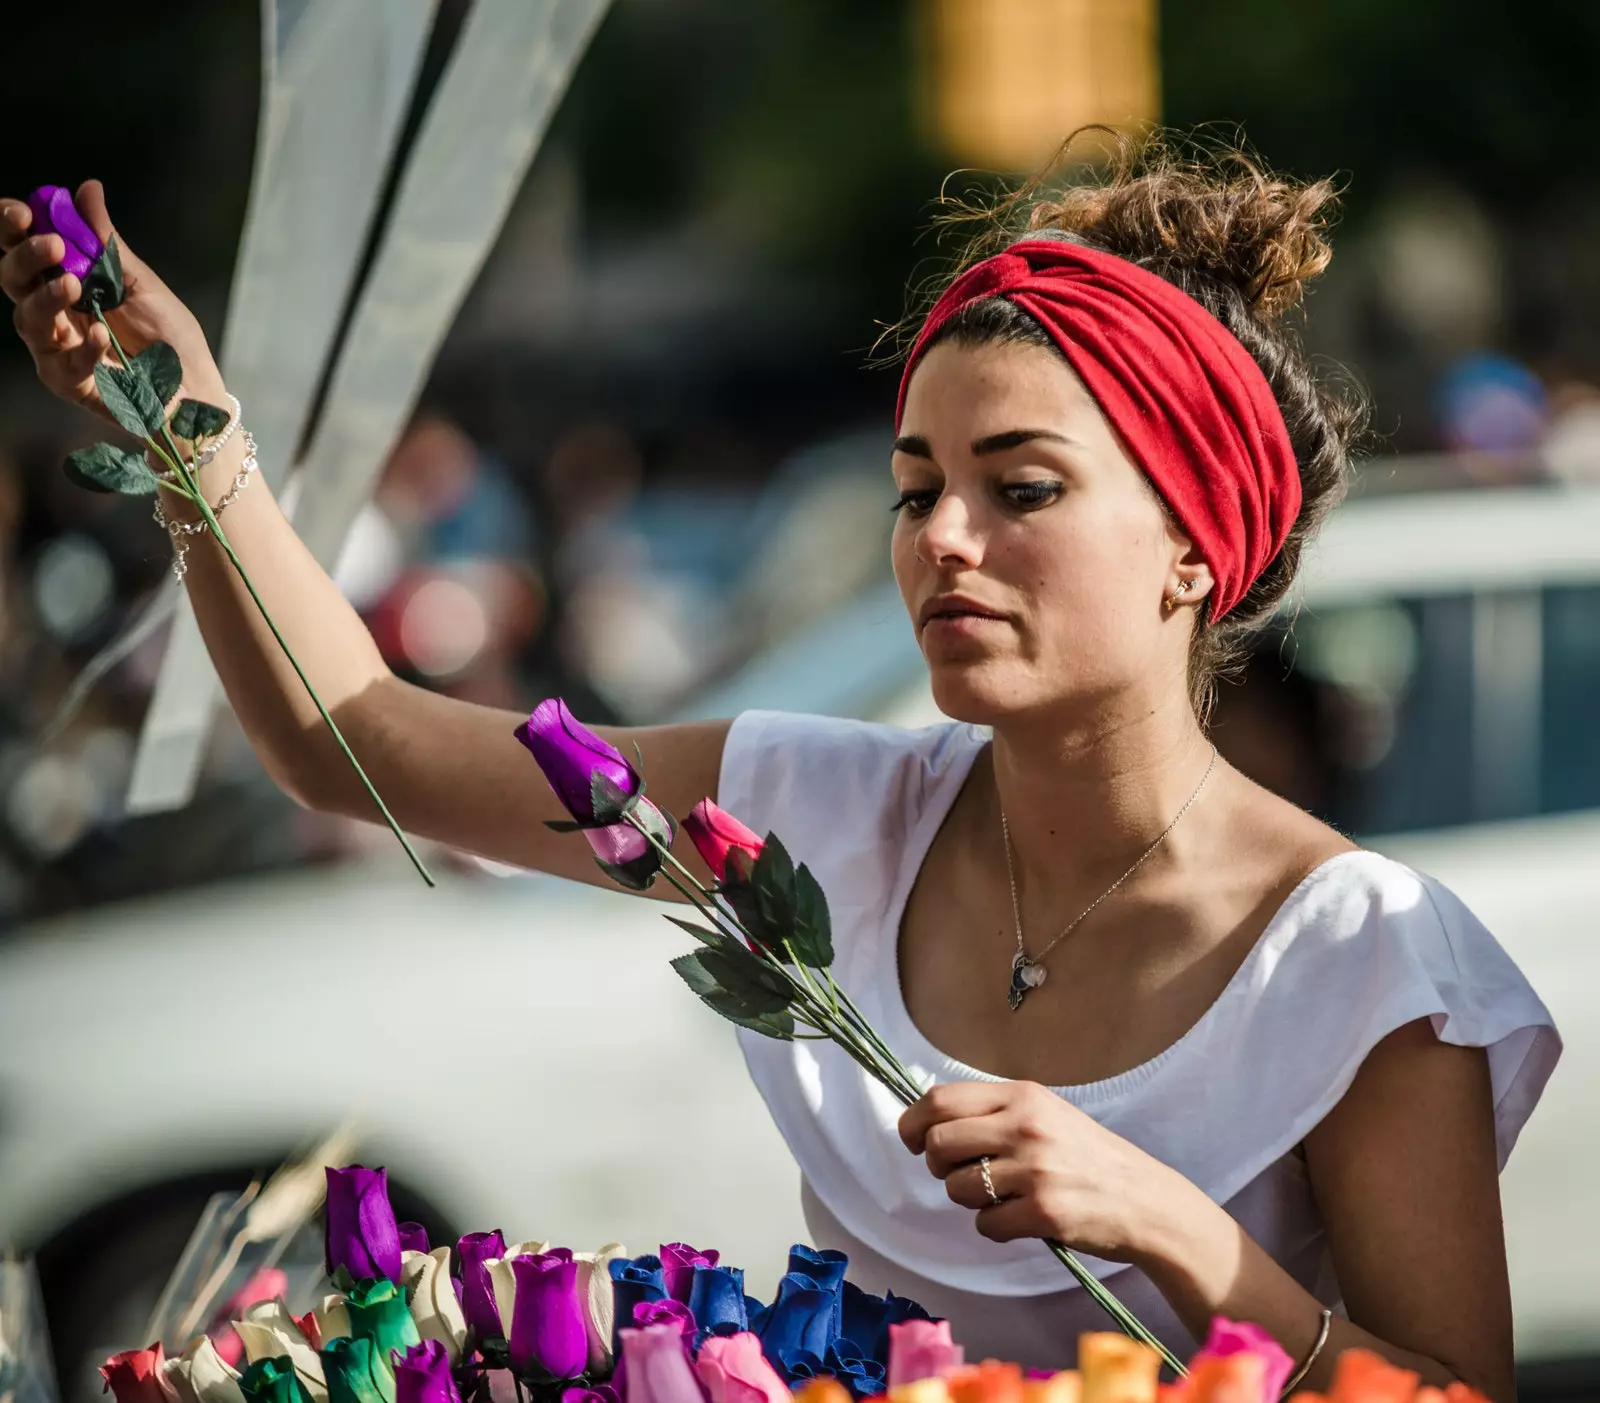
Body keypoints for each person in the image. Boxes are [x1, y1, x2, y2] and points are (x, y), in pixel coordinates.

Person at [0, 137, 1557, 1398]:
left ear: (1190, 547)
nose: (944, 536)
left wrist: (1169, 1227)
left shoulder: (1367, 959)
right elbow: (364, 743)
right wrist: (186, 433)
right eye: (916, 486)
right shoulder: (815, 810)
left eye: (1020, 486)